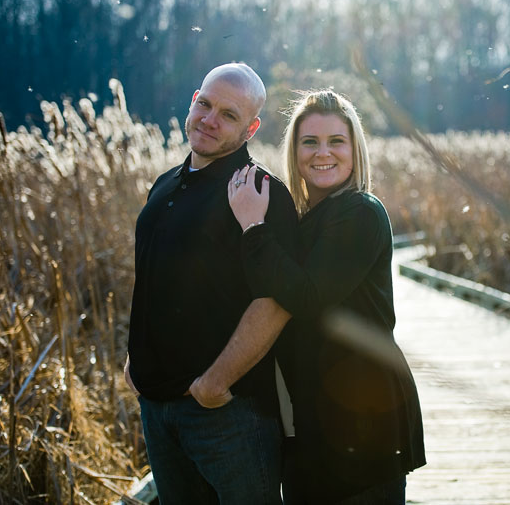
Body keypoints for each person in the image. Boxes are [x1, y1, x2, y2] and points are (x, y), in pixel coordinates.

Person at [226, 90, 426, 504]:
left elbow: (308, 297)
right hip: (316, 420)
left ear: (355, 150)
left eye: (336, 141)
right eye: (310, 142)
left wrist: (253, 227)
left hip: (364, 418)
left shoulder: (360, 212)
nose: (323, 153)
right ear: (294, 151)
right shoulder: (309, 220)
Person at [124, 62, 298, 504]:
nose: (209, 119)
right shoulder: (165, 185)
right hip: (157, 408)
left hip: (226, 414)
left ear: (251, 128)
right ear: (192, 101)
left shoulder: (260, 192)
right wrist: (135, 358)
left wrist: (215, 383)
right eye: (205, 104)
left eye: (229, 115)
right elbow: (156, 276)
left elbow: (276, 300)